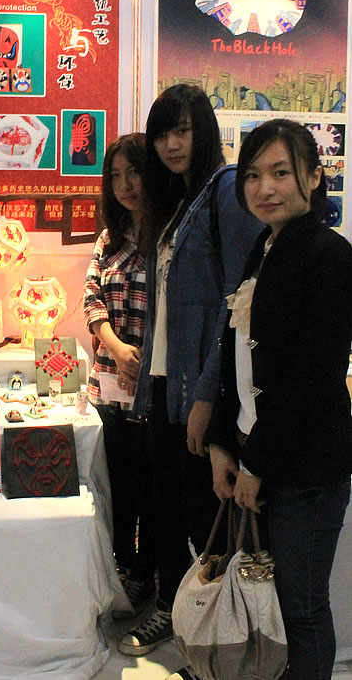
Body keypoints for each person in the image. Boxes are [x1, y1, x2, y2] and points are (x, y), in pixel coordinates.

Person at [118, 84, 262, 666]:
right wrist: (148, 392)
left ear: (204, 131)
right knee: (166, 506)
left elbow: (238, 304)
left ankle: (214, 630)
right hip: (163, 383)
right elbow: (163, 306)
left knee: (205, 515)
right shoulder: (177, 201)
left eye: (182, 131)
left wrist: (207, 396)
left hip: (201, 387)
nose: (172, 144)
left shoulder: (225, 190)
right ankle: (175, 612)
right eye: (162, 135)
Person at [206, 118, 352, 680]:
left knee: (301, 611)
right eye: (252, 175)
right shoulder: (265, 248)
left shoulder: (329, 255)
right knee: (268, 605)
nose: (264, 188)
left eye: (281, 173)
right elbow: (237, 356)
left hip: (306, 468)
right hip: (260, 454)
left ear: (313, 177)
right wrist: (224, 444)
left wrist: (257, 464)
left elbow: (312, 378)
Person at [83, 133, 157, 619]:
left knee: (148, 488)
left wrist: (142, 360)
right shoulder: (109, 237)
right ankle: (118, 568)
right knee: (115, 486)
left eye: (134, 173)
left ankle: (144, 574)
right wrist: (114, 346)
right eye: (116, 176)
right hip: (108, 383)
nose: (126, 184)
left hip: (151, 385)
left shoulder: (167, 236)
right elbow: (91, 297)